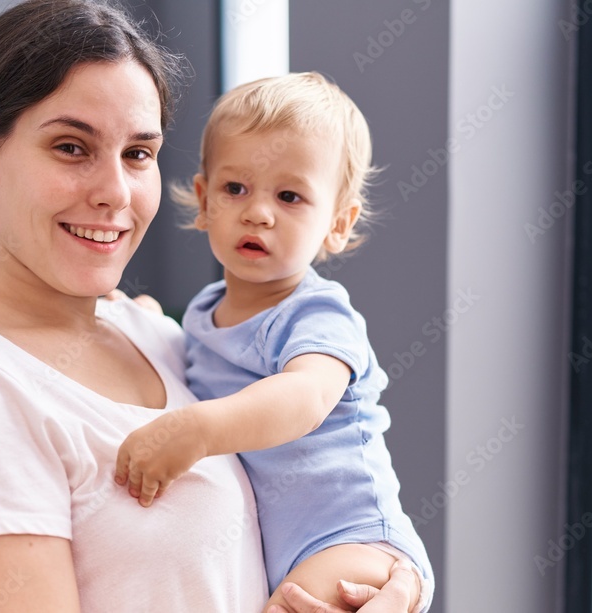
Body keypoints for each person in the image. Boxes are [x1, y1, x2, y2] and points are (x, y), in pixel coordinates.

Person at [0, 1, 419, 610]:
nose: (113, 192)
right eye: (72, 147)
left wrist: (396, 581)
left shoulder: (156, 333)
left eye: (137, 154)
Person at [114, 73, 434, 612]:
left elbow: (304, 397)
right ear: (204, 199)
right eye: (235, 188)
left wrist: (200, 430)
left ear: (337, 223)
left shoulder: (315, 311)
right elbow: (191, 357)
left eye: (289, 196)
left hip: (349, 538)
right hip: (280, 555)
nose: (258, 211)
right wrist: (141, 317)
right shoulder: (200, 314)